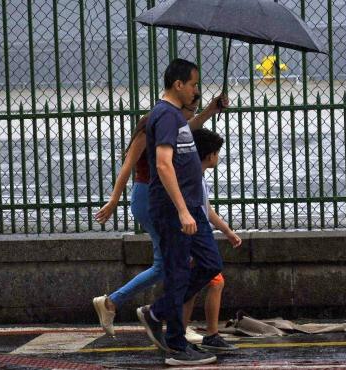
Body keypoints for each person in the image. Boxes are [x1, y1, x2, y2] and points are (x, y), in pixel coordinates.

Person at [92, 90, 226, 337]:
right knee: (173, 263)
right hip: (148, 197)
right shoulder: (150, 126)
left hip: (158, 198)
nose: (189, 118)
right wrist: (113, 201)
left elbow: (189, 126)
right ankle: (165, 320)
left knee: (170, 264)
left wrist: (209, 111)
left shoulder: (172, 122)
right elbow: (127, 165)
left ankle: (145, 312)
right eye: (190, 111)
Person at [136, 58, 223, 366]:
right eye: (194, 84)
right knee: (178, 272)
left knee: (211, 262)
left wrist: (211, 110)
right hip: (176, 210)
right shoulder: (163, 115)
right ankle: (175, 344)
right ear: (178, 85)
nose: (195, 90)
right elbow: (162, 164)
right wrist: (183, 211)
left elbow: (186, 132)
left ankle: (157, 312)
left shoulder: (174, 117)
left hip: (190, 208)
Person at [182, 128, 241, 352]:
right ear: (210, 155)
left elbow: (206, 210)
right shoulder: (196, 180)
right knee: (207, 283)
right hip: (196, 240)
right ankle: (208, 334)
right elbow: (202, 211)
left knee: (198, 285)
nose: (218, 157)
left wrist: (227, 231)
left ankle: (184, 333)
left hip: (197, 238)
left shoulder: (197, 177)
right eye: (217, 152)